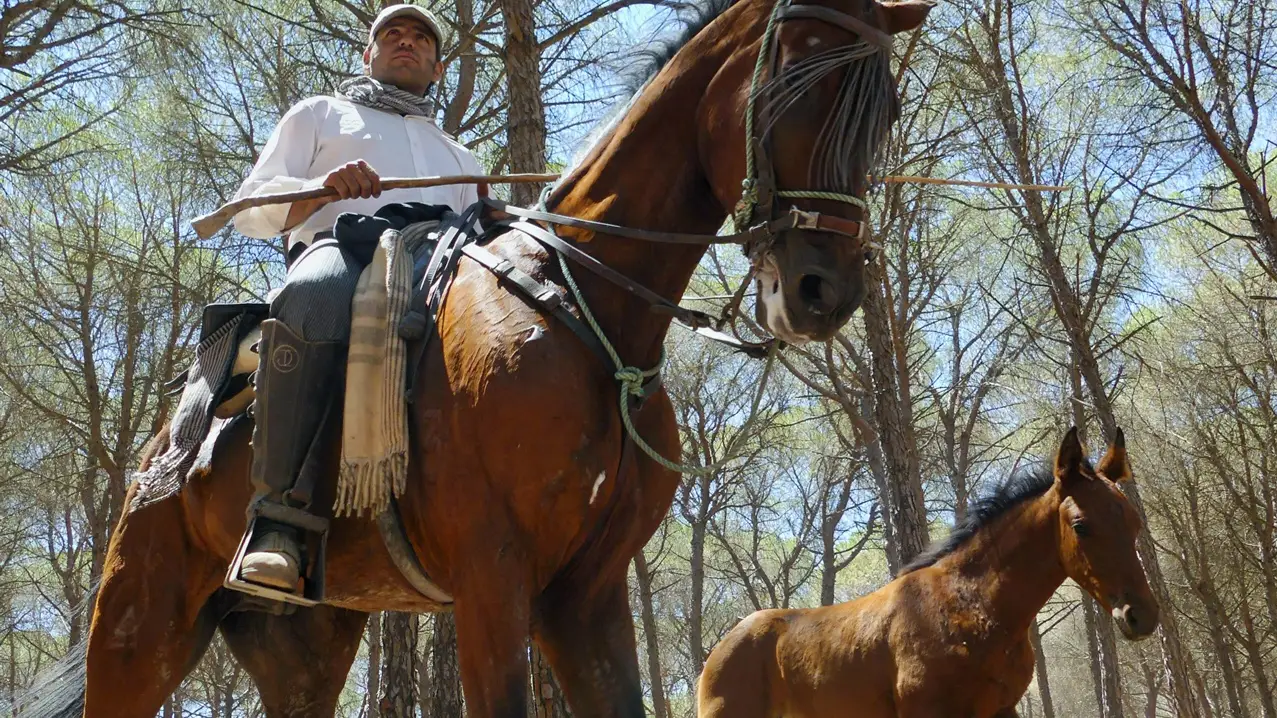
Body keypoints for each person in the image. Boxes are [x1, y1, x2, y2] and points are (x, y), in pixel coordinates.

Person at [229, 2, 484, 595]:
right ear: (368, 56)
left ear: (438, 67)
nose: (405, 42)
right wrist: (321, 191)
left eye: (420, 38)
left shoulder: (462, 158)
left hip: (443, 268)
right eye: (391, 34)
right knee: (311, 294)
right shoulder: (319, 114)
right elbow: (253, 210)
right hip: (347, 251)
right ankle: (277, 521)